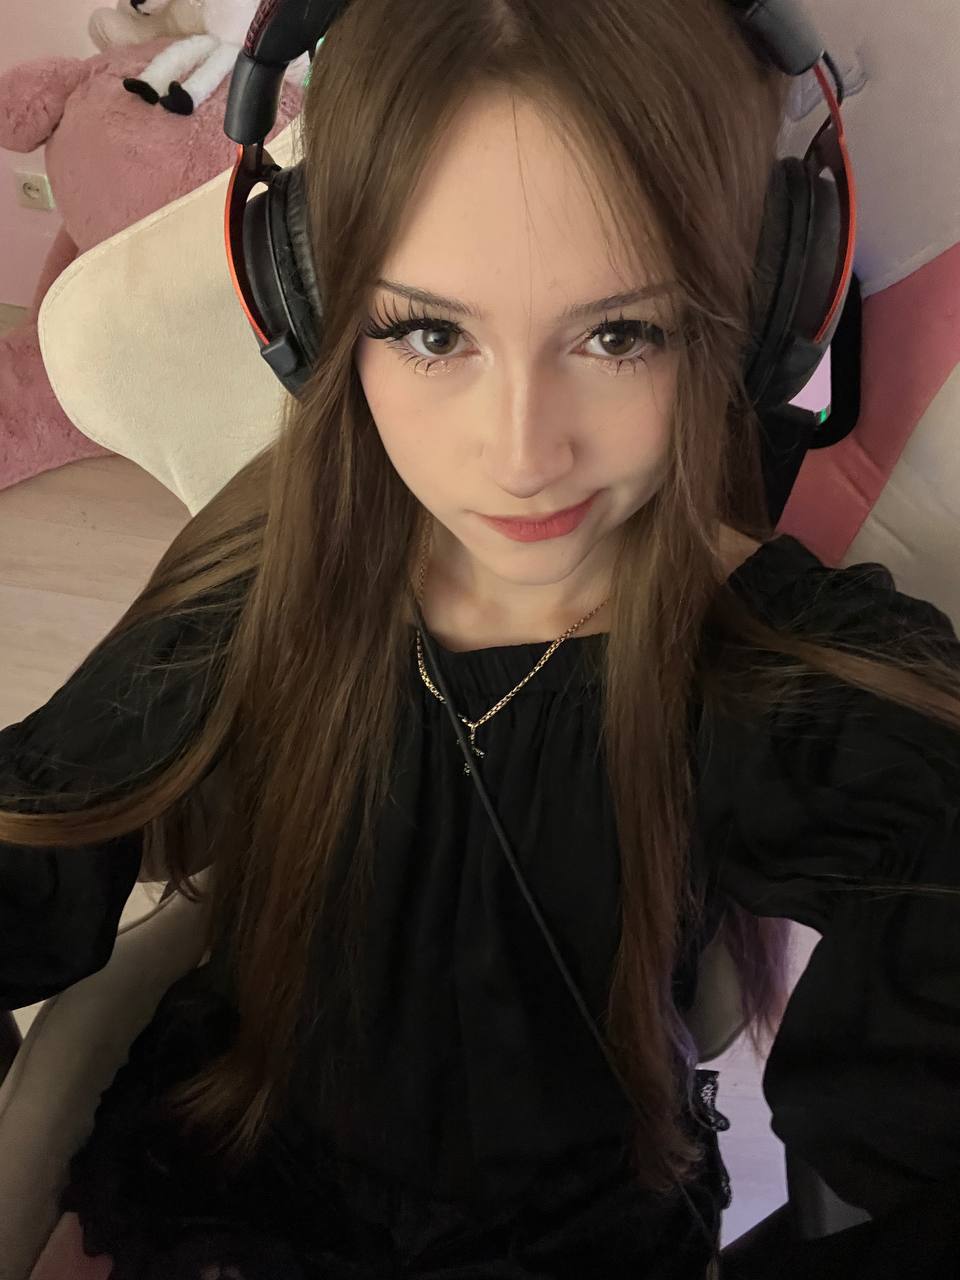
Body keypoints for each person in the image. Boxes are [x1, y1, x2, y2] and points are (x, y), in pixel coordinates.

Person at [3, 0, 960, 1276]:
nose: (521, 453)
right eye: (431, 331)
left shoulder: (776, 670)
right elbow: (36, 838)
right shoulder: (271, 577)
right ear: (311, 306)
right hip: (218, 1187)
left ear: (760, 305)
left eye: (620, 333)